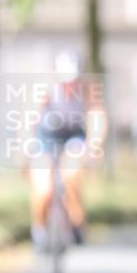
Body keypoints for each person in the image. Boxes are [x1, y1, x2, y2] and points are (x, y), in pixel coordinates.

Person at [28, 50, 107, 248]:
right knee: (44, 187)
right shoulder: (44, 88)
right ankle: (39, 229)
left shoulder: (87, 89)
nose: (68, 85)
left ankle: (75, 221)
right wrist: (26, 147)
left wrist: (95, 145)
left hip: (73, 135)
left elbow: (96, 116)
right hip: (46, 136)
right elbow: (30, 118)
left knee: (71, 174)